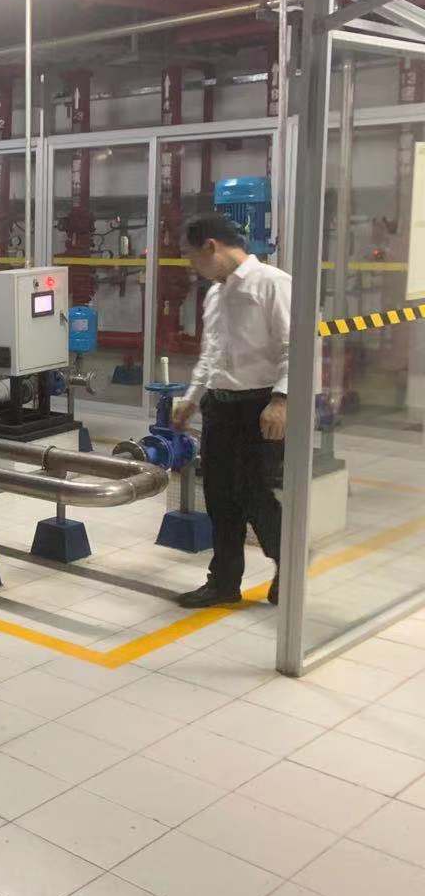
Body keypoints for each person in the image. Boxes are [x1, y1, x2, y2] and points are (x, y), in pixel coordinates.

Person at [172, 213, 291, 608]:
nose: (193, 267)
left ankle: (290, 567)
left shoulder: (273, 284)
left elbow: (297, 347)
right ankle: (223, 582)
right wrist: (192, 397)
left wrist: (282, 400)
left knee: (254, 494)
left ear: (211, 247)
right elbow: (211, 353)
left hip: (260, 407)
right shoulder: (216, 293)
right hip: (220, 407)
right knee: (220, 497)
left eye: (193, 257)